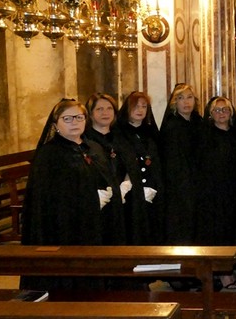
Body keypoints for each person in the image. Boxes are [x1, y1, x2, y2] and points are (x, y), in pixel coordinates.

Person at [21, 98, 117, 290]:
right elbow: (49, 198)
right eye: (68, 119)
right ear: (56, 124)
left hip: (96, 227)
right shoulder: (49, 155)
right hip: (64, 230)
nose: (75, 122)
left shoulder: (93, 148)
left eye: (79, 117)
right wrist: (91, 199)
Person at [198, 96, 236, 289]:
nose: (222, 113)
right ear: (210, 114)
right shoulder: (206, 135)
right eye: (217, 110)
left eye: (225, 110)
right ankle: (221, 273)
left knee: (231, 232)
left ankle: (229, 267)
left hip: (233, 190)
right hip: (213, 192)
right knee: (217, 233)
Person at [84, 93, 131, 246]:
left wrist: (126, 185)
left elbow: (131, 166)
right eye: (100, 109)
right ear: (90, 114)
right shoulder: (86, 140)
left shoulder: (120, 138)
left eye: (109, 108)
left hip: (123, 201)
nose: (105, 113)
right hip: (99, 202)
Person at [116, 91, 162, 245]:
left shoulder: (151, 133)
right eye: (136, 106)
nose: (140, 110)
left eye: (144, 106)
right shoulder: (118, 132)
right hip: (130, 193)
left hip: (151, 191)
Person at [160, 83, 202, 245]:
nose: (186, 102)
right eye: (181, 98)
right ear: (174, 103)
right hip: (178, 186)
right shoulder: (171, 127)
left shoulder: (199, 122)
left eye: (189, 97)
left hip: (198, 183)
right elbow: (171, 160)